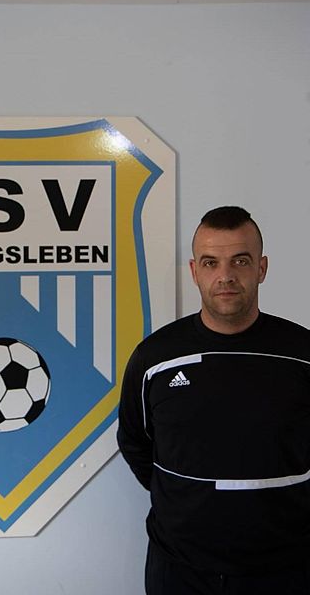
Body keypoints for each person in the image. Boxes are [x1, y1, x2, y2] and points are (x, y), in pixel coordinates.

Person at [117, 206, 310, 594]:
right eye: (211, 262)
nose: (226, 276)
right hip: (180, 570)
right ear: (194, 271)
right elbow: (135, 441)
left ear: (261, 268)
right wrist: (185, 499)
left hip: (287, 569)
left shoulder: (302, 354)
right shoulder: (154, 358)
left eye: (241, 260)